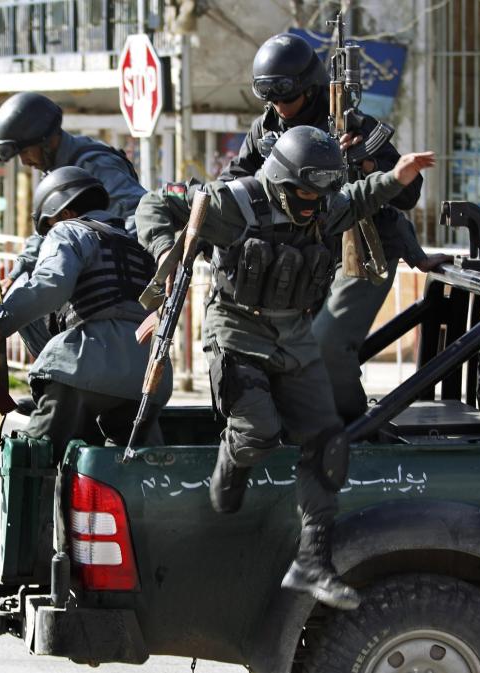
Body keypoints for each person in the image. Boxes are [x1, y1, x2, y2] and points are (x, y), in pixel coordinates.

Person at [135, 125, 436, 610]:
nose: (314, 204)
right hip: (237, 330)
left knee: (327, 442)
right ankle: (228, 474)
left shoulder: (321, 205)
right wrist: (165, 253)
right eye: (305, 194)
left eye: (321, 196)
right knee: (258, 431)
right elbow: (156, 203)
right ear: (280, 180)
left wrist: (396, 178)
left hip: (294, 336)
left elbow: (356, 200)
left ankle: (313, 562)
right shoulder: (235, 203)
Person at [221, 33, 452, 422]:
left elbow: (407, 195)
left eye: (286, 97)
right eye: (271, 99)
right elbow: (233, 181)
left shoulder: (358, 127)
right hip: (303, 253)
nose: (280, 107)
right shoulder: (265, 130)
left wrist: (363, 164)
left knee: (327, 344)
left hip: (363, 245)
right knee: (280, 350)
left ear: (310, 90)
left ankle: (352, 429)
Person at [0, 166, 171, 596]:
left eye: (49, 223)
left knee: (32, 463)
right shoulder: (136, 242)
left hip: (86, 366)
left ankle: (19, 573)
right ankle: (149, 574)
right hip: (147, 379)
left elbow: (50, 286)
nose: (49, 232)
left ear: (66, 209)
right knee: (136, 477)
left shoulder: (72, 232)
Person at [0, 92, 147, 339]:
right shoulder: (58, 171)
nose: (24, 162)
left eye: (26, 151)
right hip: (86, 277)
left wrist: (102, 257)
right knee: (20, 296)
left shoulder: (96, 165)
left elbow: (140, 214)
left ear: (47, 141)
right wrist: (16, 272)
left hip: (114, 288)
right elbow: (44, 232)